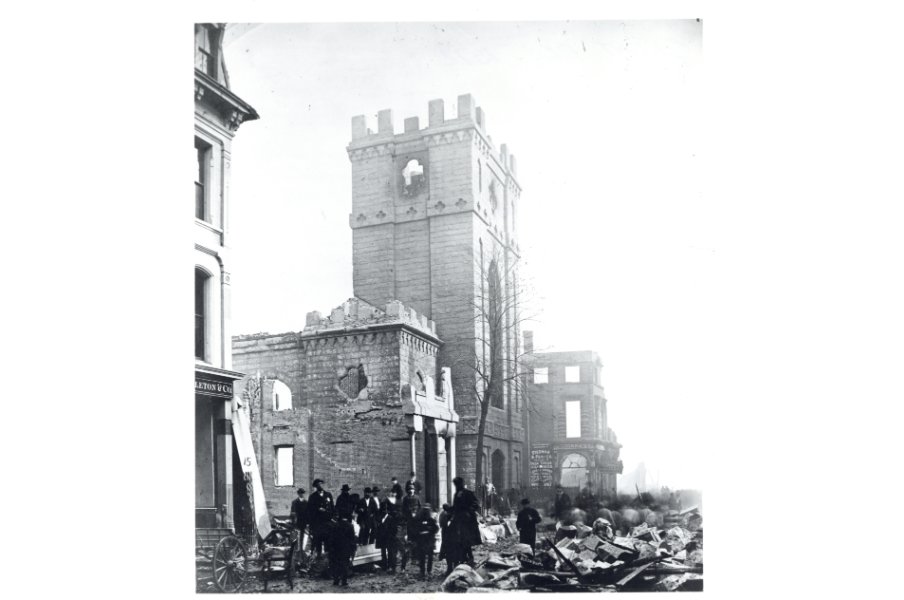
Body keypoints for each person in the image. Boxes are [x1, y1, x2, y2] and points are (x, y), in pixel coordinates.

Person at [448, 476, 480, 569]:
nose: (457, 486)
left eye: (458, 484)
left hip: (467, 521)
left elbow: (476, 504)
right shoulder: (456, 494)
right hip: (459, 520)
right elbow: (455, 507)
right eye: (455, 484)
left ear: (461, 484)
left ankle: (469, 559)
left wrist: (469, 511)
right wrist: (449, 510)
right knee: (459, 540)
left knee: (466, 540)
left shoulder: (468, 493)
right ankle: (463, 559)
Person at [410, 505, 439, 579]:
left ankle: (429, 571)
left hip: (429, 541)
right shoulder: (418, 520)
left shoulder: (431, 520)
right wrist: (419, 533)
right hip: (422, 541)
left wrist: (429, 531)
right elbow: (414, 530)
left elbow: (436, 529)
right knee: (422, 557)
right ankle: (422, 571)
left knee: (429, 557)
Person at [307, 479, 335, 557]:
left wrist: (332, 517)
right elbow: (309, 511)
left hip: (327, 523)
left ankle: (328, 559)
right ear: (316, 486)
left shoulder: (328, 495)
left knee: (328, 542)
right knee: (318, 542)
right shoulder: (312, 497)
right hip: (318, 524)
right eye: (319, 484)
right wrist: (317, 510)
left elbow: (332, 508)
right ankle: (319, 558)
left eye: (322, 484)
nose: (321, 485)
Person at [328, 514, 357, 586]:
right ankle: (344, 581)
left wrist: (331, 548)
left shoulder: (335, 525)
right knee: (345, 564)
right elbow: (352, 539)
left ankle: (336, 580)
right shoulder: (350, 526)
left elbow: (331, 538)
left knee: (336, 564)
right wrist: (353, 549)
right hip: (346, 549)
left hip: (336, 548)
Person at [376, 499, 401, 573]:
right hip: (382, 538)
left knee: (390, 552)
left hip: (389, 538)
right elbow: (378, 527)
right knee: (383, 552)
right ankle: (384, 565)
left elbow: (394, 529)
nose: (384, 511)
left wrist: (391, 536)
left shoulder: (390, 518)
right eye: (383, 510)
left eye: (385, 510)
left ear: (387, 511)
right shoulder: (380, 518)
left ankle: (390, 566)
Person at [438, 503, 453, 571]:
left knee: (445, 547)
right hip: (448, 533)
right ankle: (449, 567)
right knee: (449, 549)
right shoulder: (446, 514)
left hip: (444, 532)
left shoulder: (442, 514)